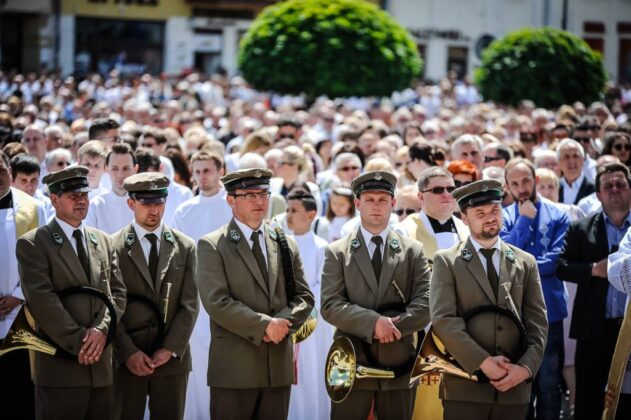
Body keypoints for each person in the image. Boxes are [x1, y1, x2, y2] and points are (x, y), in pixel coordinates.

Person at [197, 168, 315, 420]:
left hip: (277, 368)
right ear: (230, 200)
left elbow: (304, 297)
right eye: (249, 195)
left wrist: (282, 324)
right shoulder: (213, 244)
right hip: (235, 370)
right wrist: (265, 326)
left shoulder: (285, 242)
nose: (259, 201)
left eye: (263, 194)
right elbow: (217, 302)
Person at [431, 179, 548, 420]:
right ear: (464, 218)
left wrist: (525, 368)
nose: (490, 218)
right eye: (480, 213)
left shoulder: (525, 262)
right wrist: (482, 362)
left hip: (514, 388)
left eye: (495, 210)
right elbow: (444, 320)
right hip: (465, 386)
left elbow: (538, 323)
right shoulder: (447, 261)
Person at [15, 166, 126, 420]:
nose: (81, 200)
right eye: (73, 196)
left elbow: (117, 293)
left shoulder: (103, 241)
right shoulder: (34, 243)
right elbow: (42, 301)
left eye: (84, 195)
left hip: (101, 369)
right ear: (54, 200)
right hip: (61, 370)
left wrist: (101, 331)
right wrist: (82, 342)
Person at [321, 170, 431, 420]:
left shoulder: (413, 251)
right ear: (357, 204)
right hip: (351, 361)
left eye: (383, 200)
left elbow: (426, 303)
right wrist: (373, 324)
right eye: (369, 199)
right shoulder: (337, 251)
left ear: (393, 203)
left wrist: (392, 327)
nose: (376, 206)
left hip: (399, 360)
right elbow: (330, 305)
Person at [112, 172, 199, 420]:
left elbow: (190, 305)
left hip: (171, 361)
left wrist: (170, 348)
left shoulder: (185, 246)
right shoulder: (113, 246)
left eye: (159, 202)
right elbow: (110, 306)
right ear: (131, 203)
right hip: (128, 360)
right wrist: (128, 352)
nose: (154, 210)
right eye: (146, 203)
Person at [557, 162, 631, 420]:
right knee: (588, 399)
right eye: (608, 186)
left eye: (620, 184)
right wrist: (593, 270)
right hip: (592, 328)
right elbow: (562, 267)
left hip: (628, 330)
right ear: (598, 194)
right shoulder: (580, 227)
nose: (615, 189)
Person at [394, 166, 469, 420]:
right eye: (438, 190)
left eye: (451, 188)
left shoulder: (466, 229)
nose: (447, 194)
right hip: (422, 331)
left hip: (461, 330)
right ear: (421, 196)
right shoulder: (405, 231)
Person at [501, 158, 570, 420]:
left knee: (549, 384)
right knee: (520, 386)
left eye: (526, 181)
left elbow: (557, 260)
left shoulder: (559, 214)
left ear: (536, 180)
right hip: (514, 314)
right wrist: (524, 220)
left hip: (549, 310)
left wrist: (523, 269)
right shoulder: (504, 217)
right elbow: (505, 258)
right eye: (515, 183)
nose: (521, 188)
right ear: (507, 186)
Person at [171, 150, 232, 420]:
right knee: (197, 365)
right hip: (195, 296)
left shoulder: (233, 206)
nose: (201, 177)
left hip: (228, 294)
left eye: (207, 170)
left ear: (221, 171)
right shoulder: (184, 210)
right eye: (197, 171)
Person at [0, 151, 46, 420]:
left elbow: (42, 258)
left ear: (9, 170)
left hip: (22, 312)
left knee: (20, 388)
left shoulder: (32, 208)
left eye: (1, 171)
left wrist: (19, 295)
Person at [285, 188, 333, 420]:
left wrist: (299, 303)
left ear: (311, 214)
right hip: (286, 319)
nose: (288, 215)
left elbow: (324, 286)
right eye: (287, 210)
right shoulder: (281, 245)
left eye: (294, 210)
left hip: (313, 323)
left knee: (312, 373)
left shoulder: (321, 247)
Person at [85, 143, 138, 234]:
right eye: (114, 169)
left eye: (126, 168)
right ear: (106, 169)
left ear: (135, 169)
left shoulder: (144, 203)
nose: (120, 174)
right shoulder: (96, 205)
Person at [557, 139, 595, 205]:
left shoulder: (595, 189)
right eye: (566, 157)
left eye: (575, 156)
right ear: (559, 162)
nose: (572, 161)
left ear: (583, 160)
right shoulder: (554, 188)